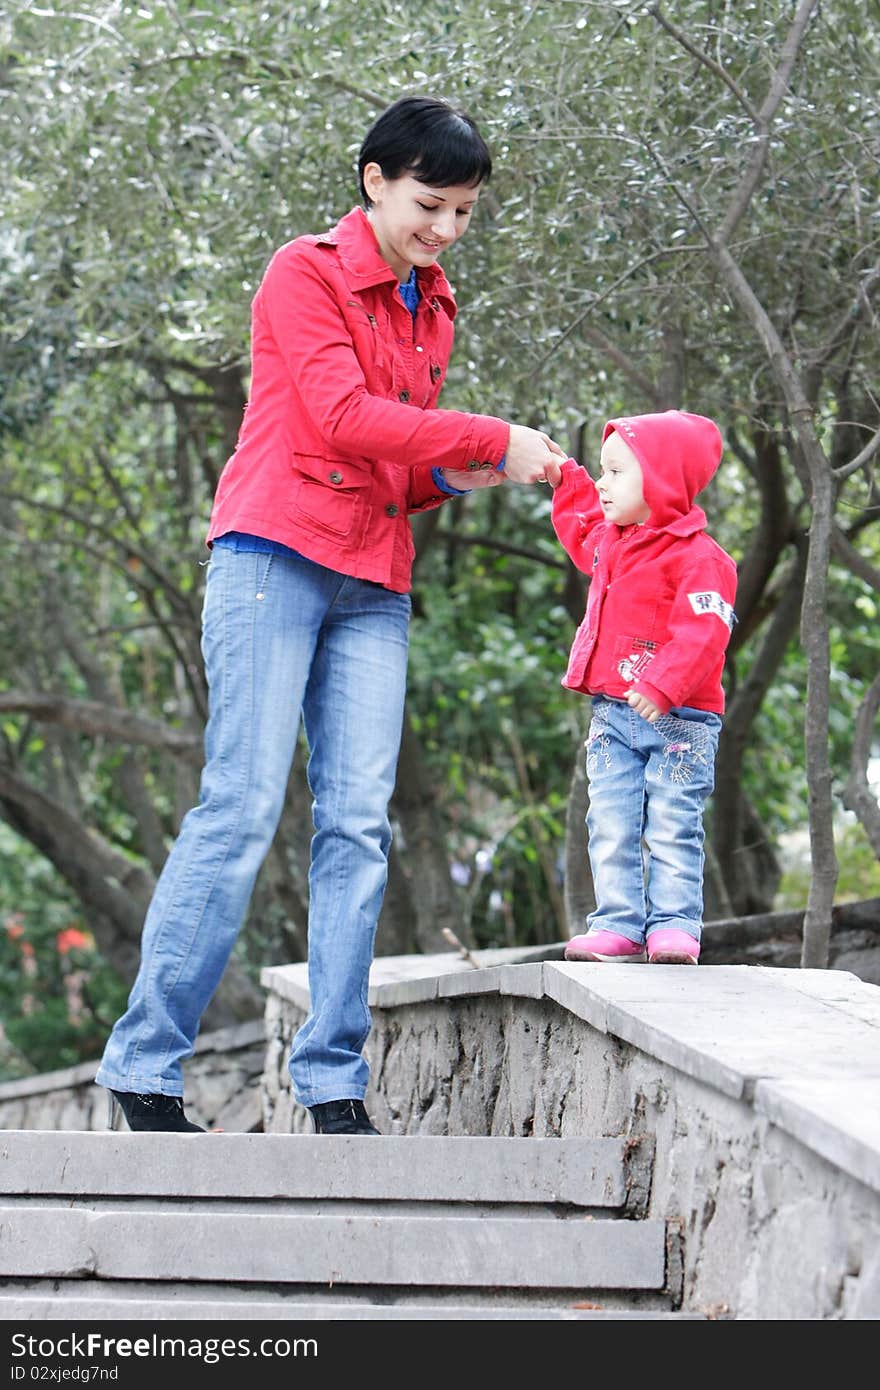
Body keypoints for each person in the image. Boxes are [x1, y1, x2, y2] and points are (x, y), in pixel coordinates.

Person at [95, 95, 564, 1135]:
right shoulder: (301, 272)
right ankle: (144, 1065)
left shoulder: (432, 303)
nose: (444, 230)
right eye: (428, 205)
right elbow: (344, 417)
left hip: (374, 578)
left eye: (463, 213)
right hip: (272, 553)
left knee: (360, 824)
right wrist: (492, 433)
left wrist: (473, 475)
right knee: (245, 802)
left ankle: (333, 1080)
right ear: (375, 181)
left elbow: (400, 467)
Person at [550, 410, 737, 966]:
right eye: (603, 473)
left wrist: (662, 685)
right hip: (612, 715)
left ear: (660, 480)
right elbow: (581, 526)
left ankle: (676, 925)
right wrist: (569, 480)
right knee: (608, 818)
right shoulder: (613, 543)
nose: (604, 484)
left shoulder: (702, 559)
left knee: (673, 821)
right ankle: (619, 924)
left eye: (616, 473)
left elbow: (706, 632)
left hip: (680, 720)